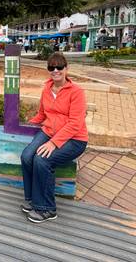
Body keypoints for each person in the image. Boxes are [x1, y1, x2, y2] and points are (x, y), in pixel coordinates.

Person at [20, 52, 88, 223]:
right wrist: (26, 125)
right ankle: (32, 199)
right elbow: (42, 114)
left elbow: (75, 123)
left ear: (66, 69)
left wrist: (53, 143)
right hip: (49, 131)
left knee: (42, 160)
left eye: (59, 67)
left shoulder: (76, 92)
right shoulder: (46, 89)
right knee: (27, 156)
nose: (55, 70)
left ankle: (47, 209)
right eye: (52, 67)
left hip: (74, 138)